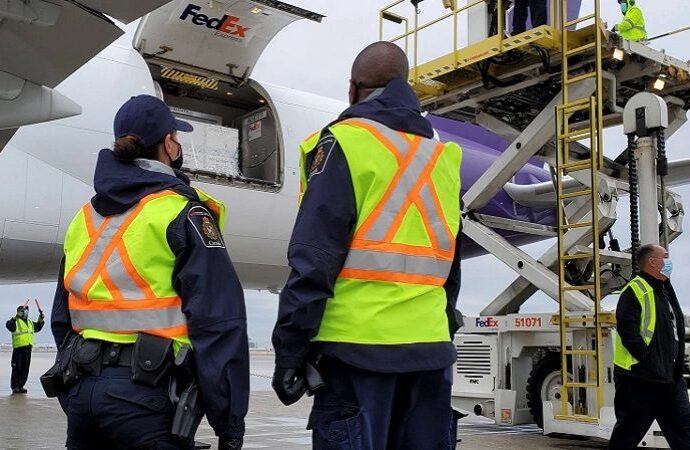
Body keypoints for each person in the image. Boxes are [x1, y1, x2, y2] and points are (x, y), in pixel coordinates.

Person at [271, 41, 464, 449]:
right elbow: (451, 269)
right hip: (430, 355)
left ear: (353, 88)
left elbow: (314, 258)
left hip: (356, 355)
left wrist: (291, 350)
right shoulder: (442, 158)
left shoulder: (344, 144)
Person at [51, 95, 249, 449]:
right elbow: (218, 322)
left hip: (83, 392)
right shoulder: (182, 213)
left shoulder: (84, 218)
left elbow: (61, 319)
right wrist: (229, 423)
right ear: (169, 144)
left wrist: (78, 391)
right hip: (146, 396)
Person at [609, 244, 690, 449]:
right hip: (640, 380)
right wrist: (650, 362)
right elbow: (628, 332)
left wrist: (676, 367)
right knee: (626, 438)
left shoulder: (665, 290)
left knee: (685, 436)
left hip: (670, 380)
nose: (669, 261)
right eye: (666, 256)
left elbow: (673, 332)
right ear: (652, 262)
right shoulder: (635, 290)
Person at [6, 301, 44, 393]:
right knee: (16, 368)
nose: (26, 312)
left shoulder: (30, 322)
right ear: (20, 312)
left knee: (25, 368)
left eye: (27, 310)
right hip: (18, 348)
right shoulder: (15, 322)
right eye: (24, 310)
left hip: (28, 348)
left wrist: (41, 319)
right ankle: (15, 386)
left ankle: (21, 385)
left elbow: (37, 328)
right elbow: (9, 325)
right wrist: (15, 317)